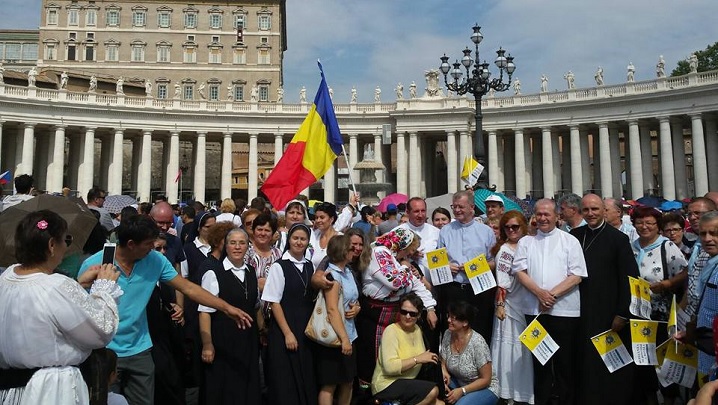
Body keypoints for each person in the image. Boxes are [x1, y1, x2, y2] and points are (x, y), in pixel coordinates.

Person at [78, 214, 253, 405]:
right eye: (148, 244)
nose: (154, 248)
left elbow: (187, 288)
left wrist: (226, 308)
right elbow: (80, 311)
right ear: (131, 244)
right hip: (105, 351)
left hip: (140, 349)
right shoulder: (96, 265)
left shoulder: (155, 260)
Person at [0, 210, 122, 404]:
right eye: (66, 240)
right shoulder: (56, 286)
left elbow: (44, 311)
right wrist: (104, 288)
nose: (66, 247)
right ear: (51, 245)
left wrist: (78, 286)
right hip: (49, 390)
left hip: (12, 389)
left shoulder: (6, 278)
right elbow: (101, 330)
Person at [513, 198, 587, 405]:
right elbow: (520, 271)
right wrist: (540, 294)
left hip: (564, 311)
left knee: (565, 364)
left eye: (547, 214)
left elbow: (577, 275)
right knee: (540, 363)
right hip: (535, 310)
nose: (543, 218)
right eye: (539, 214)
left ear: (557, 216)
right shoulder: (526, 242)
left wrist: (551, 295)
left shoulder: (569, 240)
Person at [571, 194, 639, 405]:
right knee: (584, 360)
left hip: (608, 311)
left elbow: (629, 278)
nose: (591, 214)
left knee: (608, 363)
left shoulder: (618, 239)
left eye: (595, 209)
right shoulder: (574, 235)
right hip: (580, 309)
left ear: (604, 211)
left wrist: (622, 313)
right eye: (586, 210)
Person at [358, 227, 437, 384]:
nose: (408, 255)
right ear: (402, 246)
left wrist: (430, 308)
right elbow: (395, 282)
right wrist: (406, 267)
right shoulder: (379, 252)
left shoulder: (394, 258)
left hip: (390, 313)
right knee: (375, 357)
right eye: (408, 251)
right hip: (376, 315)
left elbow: (415, 284)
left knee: (392, 352)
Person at [631, 206, 687, 405]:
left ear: (658, 227)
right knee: (643, 360)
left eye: (650, 223)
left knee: (663, 360)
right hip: (638, 313)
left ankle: (669, 399)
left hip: (661, 314)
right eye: (640, 223)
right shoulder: (632, 245)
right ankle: (649, 398)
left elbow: (684, 271)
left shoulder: (667, 246)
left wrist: (667, 284)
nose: (644, 227)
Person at [199, 224, 261, 404]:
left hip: (247, 340)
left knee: (246, 386)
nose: (237, 247)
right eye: (233, 243)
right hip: (222, 340)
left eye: (242, 243)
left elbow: (255, 306)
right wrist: (207, 344)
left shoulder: (250, 271)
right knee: (224, 388)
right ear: (225, 246)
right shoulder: (214, 273)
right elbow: (204, 312)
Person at [261, 223, 317, 405]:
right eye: (295, 238)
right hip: (285, 328)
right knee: (285, 381)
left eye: (303, 239)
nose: (299, 242)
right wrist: (287, 333)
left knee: (305, 375)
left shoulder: (309, 266)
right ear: (289, 240)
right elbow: (274, 302)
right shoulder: (280, 266)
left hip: (305, 329)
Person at [438, 190, 497, 344]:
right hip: (454, 287)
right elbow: (437, 261)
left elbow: (493, 262)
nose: (457, 210)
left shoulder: (486, 232)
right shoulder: (445, 231)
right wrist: (446, 266)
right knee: (452, 328)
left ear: (472, 207)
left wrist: (475, 267)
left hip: (478, 288)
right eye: (454, 206)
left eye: (461, 207)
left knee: (479, 329)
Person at [489, 211, 533, 405]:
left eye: (515, 227)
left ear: (523, 226)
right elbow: (503, 282)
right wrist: (500, 304)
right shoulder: (505, 250)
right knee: (512, 348)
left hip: (530, 302)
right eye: (508, 227)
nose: (512, 230)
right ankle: (510, 392)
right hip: (511, 305)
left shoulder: (530, 244)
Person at [371, 293, 442, 405]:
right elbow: (390, 368)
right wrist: (416, 359)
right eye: (404, 312)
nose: (407, 316)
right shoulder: (391, 331)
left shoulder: (417, 329)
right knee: (432, 392)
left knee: (440, 404)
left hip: (408, 383)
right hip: (386, 384)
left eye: (412, 314)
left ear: (418, 315)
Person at [317, 235, 360, 405]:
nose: (355, 250)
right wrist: (344, 340)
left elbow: (353, 298)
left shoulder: (348, 272)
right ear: (343, 251)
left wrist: (357, 307)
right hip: (335, 336)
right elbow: (332, 310)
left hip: (350, 332)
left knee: (348, 381)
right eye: (351, 248)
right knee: (330, 384)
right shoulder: (332, 276)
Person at [441, 301, 500, 405]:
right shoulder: (448, 334)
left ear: (465, 322)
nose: (449, 320)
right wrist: (444, 372)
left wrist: (462, 391)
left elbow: (486, 379)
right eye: (448, 316)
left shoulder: (477, 343)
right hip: (459, 382)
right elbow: (443, 361)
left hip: (483, 388)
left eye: (453, 318)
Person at [692, 212, 718, 384]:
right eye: (703, 233)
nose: (708, 239)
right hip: (705, 353)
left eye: (715, 233)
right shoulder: (710, 262)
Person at [246, 213, 281, 293]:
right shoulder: (246, 252)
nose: (263, 233)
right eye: (259, 229)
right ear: (254, 231)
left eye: (267, 230)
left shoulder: (278, 253)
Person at [310, 202, 342, 268]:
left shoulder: (341, 238)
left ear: (331, 219)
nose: (318, 220)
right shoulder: (313, 236)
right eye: (316, 217)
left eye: (322, 217)